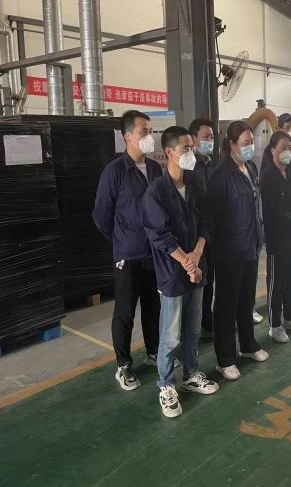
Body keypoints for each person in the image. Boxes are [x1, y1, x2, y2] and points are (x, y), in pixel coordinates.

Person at [142, 126, 219, 418]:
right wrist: (186, 262)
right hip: (172, 274)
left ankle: (190, 374)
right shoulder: (156, 192)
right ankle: (166, 384)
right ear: (169, 152)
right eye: (186, 148)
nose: (192, 153)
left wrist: (197, 254)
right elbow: (159, 235)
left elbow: (207, 222)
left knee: (192, 329)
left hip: (197, 268)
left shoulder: (196, 183)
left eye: (192, 148)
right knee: (170, 335)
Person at [93, 110, 162, 391]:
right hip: (128, 254)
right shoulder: (115, 172)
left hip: (154, 253)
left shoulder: (155, 169)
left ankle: (154, 352)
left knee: (153, 308)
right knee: (125, 312)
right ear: (128, 136)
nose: (149, 136)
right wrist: (122, 238)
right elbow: (101, 215)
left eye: (150, 131)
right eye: (144, 131)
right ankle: (123, 365)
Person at [207, 121, 268, 381]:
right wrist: (221, 248)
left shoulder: (250, 168)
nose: (250, 146)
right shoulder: (221, 175)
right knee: (226, 305)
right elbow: (214, 217)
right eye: (245, 143)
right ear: (231, 144)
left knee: (246, 300)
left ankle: (248, 345)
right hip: (229, 251)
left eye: (251, 142)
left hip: (250, 246)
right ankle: (225, 359)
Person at [260, 131, 291, 343]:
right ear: (273, 150)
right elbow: (274, 209)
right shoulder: (267, 176)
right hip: (277, 238)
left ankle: (290, 317)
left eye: (290, 147)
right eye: (283, 148)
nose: (287, 151)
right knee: (276, 283)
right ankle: (275, 325)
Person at [188, 118, 217, 337]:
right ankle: (192, 327)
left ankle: (207, 320)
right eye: (206, 136)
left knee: (209, 281)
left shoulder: (212, 165)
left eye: (212, 137)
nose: (210, 140)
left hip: (212, 234)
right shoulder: (188, 168)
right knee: (196, 283)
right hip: (195, 236)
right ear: (193, 139)